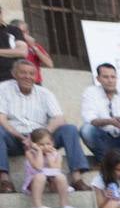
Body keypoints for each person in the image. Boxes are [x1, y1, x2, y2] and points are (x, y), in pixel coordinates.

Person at [0, 60, 90, 193]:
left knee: (69, 129)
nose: (27, 76)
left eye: (31, 73)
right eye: (23, 73)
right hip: (15, 139)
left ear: (36, 76)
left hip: (42, 140)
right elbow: (2, 119)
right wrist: (21, 137)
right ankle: (4, 180)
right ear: (14, 74)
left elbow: (59, 118)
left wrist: (40, 136)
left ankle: (77, 179)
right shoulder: (3, 88)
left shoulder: (44, 93)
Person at [22, 127, 72, 208]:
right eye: (41, 144)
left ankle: (65, 204)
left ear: (52, 143)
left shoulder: (56, 154)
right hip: (34, 180)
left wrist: (49, 156)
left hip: (52, 182)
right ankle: (37, 206)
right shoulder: (30, 153)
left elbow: (56, 169)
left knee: (61, 177)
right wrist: (39, 152)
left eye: (48, 144)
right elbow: (38, 167)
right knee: (40, 176)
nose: (45, 147)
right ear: (34, 144)